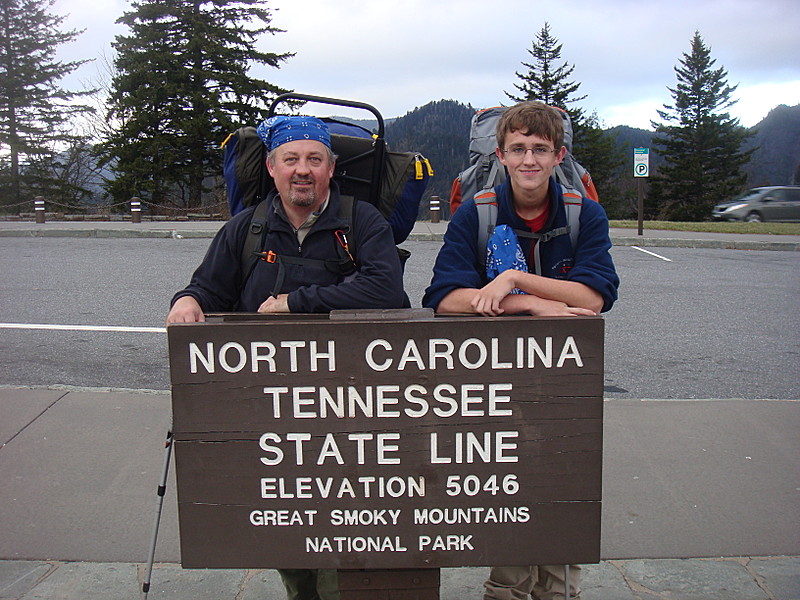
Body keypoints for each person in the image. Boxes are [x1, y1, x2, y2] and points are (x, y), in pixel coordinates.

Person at [167, 115, 408, 600]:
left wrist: (297, 302)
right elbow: (208, 288)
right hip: (274, 406)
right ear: (273, 168)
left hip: (353, 403)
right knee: (289, 508)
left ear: (331, 168)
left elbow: (385, 287)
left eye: (314, 160)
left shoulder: (362, 221)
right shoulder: (247, 227)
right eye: (291, 159)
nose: (303, 170)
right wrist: (186, 301)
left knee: (350, 508)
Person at [422, 101, 619, 600]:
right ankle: (505, 589)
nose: (528, 160)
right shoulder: (478, 212)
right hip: (495, 377)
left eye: (539, 149)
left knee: (562, 479)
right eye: (518, 149)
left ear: (559, 156)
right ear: (501, 154)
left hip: (565, 377)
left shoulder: (583, 214)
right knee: (504, 482)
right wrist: (531, 304)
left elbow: (595, 296)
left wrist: (512, 280)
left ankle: (559, 590)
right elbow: (445, 298)